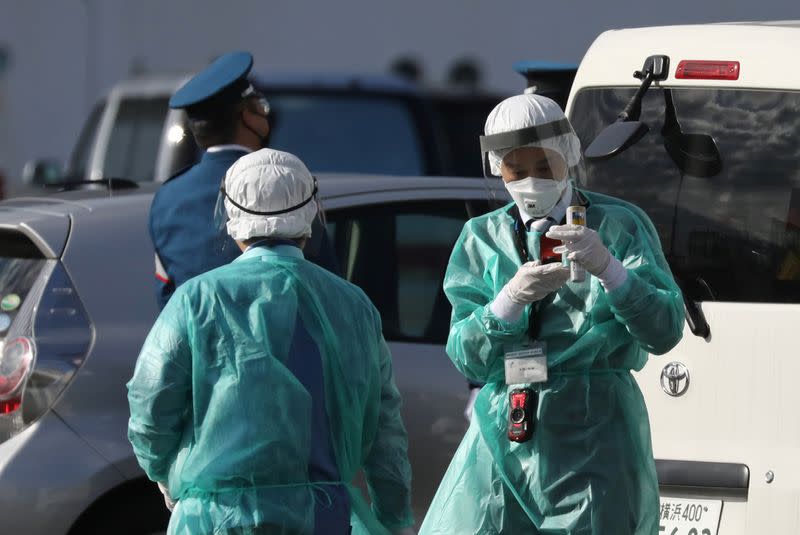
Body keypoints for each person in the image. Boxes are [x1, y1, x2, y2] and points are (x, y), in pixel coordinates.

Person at [420, 94, 684, 534]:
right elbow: (468, 356)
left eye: (544, 167)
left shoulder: (618, 226)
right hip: (507, 427)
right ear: (496, 168)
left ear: (569, 154)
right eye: (516, 170)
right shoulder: (482, 237)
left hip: (593, 431)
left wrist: (611, 270)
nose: (530, 182)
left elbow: (663, 331)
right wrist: (509, 300)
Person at [128, 148, 416, 535]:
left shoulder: (196, 299)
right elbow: (386, 433)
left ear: (232, 217)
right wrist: (394, 518)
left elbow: (151, 402)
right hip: (323, 520)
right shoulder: (353, 306)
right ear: (311, 214)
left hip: (216, 521)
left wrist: (164, 472)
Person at [149, 51, 337, 309]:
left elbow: (167, 301)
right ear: (248, 117)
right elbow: (326, 285)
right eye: (261, 108)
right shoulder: (284, 182)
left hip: (198, 346)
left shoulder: (166, 199)